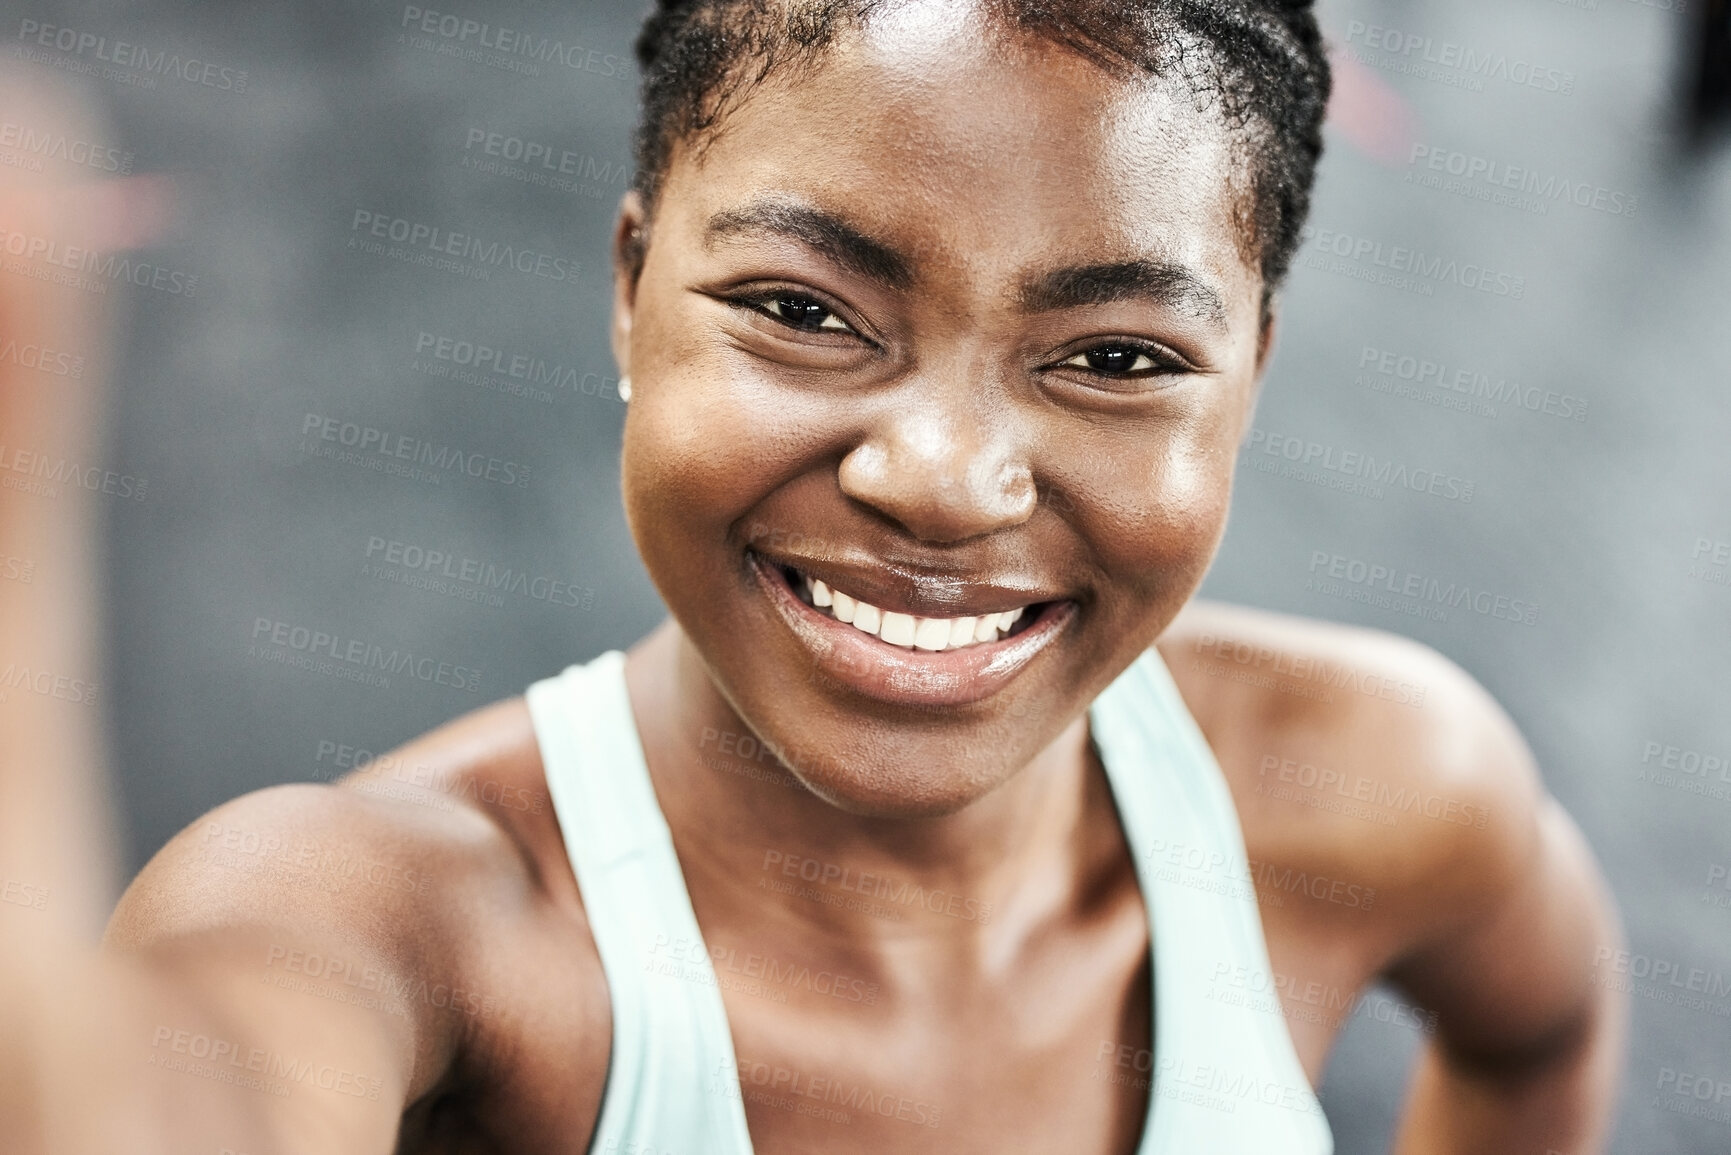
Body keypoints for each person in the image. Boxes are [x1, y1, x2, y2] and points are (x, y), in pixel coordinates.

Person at [3, 1, 1626, 1151]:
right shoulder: (403, 926)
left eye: (1120, 353)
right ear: (632, 287)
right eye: (801, 309)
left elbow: (1538, 1030)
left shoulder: (1374, 782)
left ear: (1251, 375)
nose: (943, 478)